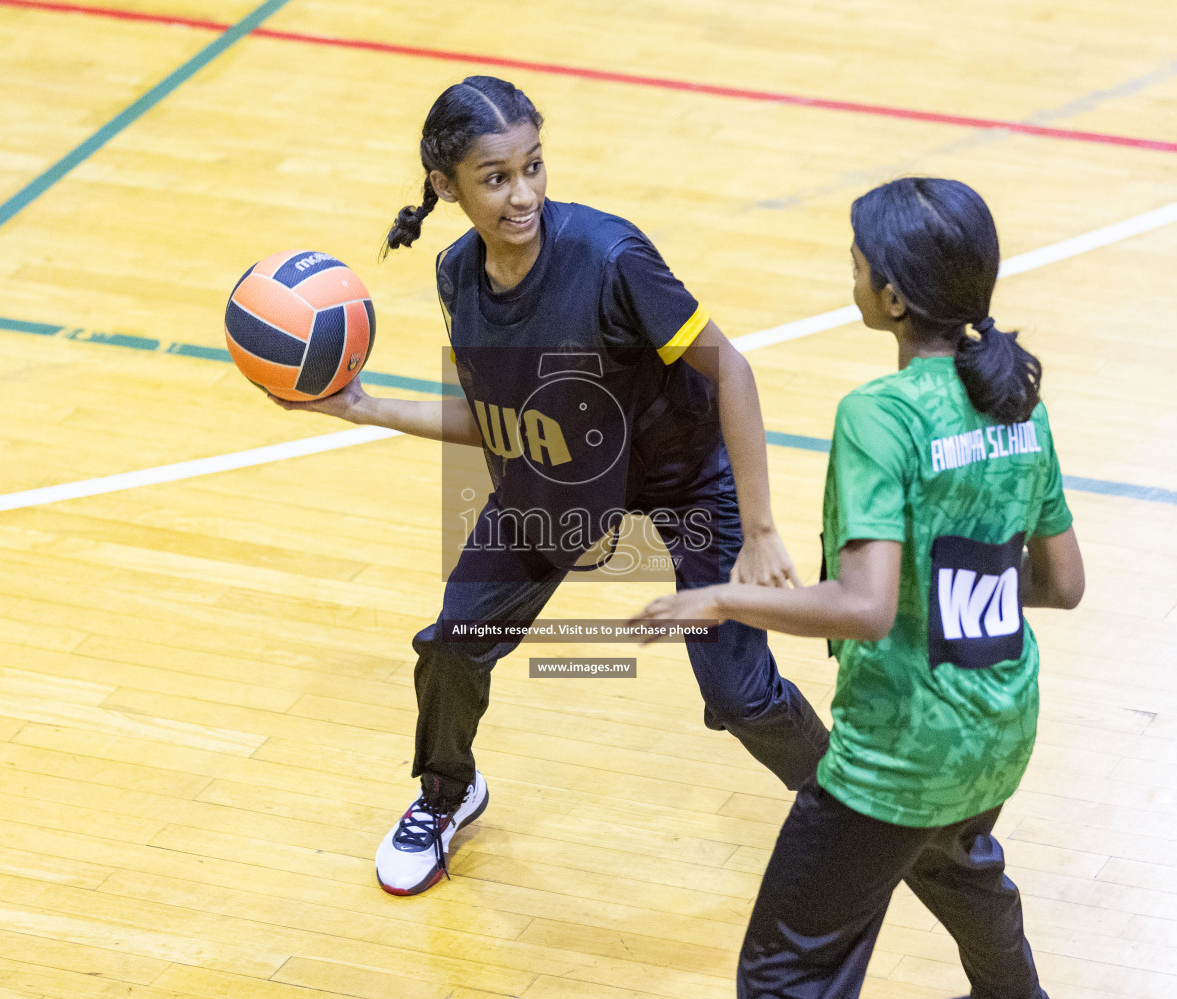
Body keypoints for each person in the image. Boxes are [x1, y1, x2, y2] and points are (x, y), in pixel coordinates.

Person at [270, 75, 830, 897]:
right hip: (562, 467)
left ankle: (848, 811)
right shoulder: (459, 276)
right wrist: (364, 405)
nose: (522, 193)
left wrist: (762, 526)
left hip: (686, 480)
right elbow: (501, 417)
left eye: (533, 166)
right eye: (495, 178)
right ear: (445, 187)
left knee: (740, 694)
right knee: (451, 644)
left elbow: (729, 367)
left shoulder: (611, 258)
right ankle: (448, 792)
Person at [630, 177, 1086, 999]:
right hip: (998, 733)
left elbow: (865, 607)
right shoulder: (1020, 405)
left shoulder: (879, 415)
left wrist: (724, 601)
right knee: (957, 859)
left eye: (856, 263)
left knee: (785, 981)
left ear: (892, 294)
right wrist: (949, 578)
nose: (852, 274)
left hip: (897, 754)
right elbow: (1063, 584)